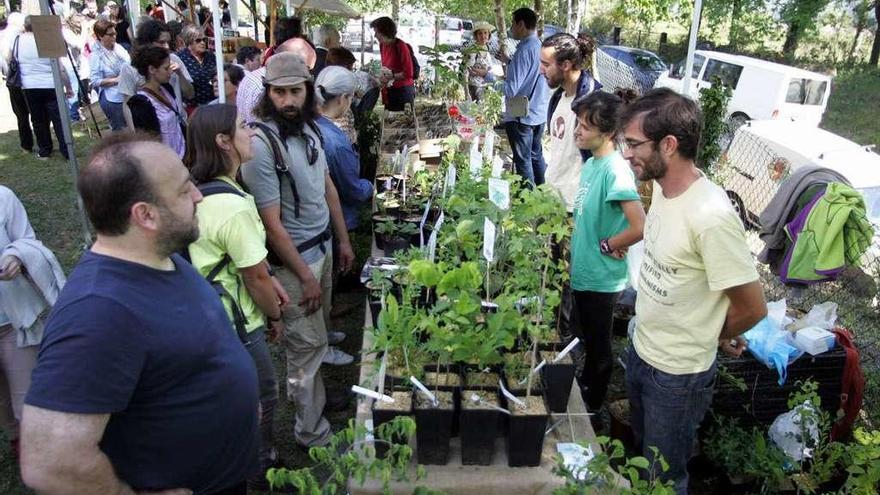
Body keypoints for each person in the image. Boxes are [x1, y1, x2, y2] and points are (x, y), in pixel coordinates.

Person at [19, 132, 259, 495]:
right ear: (145, 215)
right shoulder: (97, 313)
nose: (197, 196)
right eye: (183, 190)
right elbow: (50, 462)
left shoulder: (163, 257)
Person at [620, 88, 767, 493]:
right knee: (642, 461)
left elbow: (753, 307)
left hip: (677, 377)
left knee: (664, 477)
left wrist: (712, 332)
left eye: (633, 144)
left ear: (668, 145)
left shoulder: (711, 216)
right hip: (642, 351)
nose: (626, 153)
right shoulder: (665, 191)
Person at [241, 52, 355, 449]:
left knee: (316, 337)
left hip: (322, 249)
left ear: (308, 91)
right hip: (295, 264)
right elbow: (272, 226)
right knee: (305, 348)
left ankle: (318, 403)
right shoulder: (260, 145)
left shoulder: (309, 130)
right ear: (267, 94)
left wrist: (342, 239)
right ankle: (311, 432)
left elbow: (327, 188)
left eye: (295, 91)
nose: (288, 100)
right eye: (279, 92)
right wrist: (305, 276)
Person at [184, 104, 288, 490]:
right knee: (262, 395)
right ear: (223, 141)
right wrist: (273, 315)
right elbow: (254, 276)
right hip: (237, 323)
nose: (252, 131)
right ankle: (259, 469)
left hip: (209, 317)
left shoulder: (204, 191)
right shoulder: (232, 206)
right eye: (243, 126)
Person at [569, 91, 645, 427]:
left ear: (608, 132)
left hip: (601, 276)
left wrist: (608, 244)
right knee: (585, 334)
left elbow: (640, 224)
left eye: (586, 126)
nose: (578, 131)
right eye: (578, 123)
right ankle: (583, 386)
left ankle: (593, 405)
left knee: (600, 346)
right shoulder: (593, 164)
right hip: (584, 270)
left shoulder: (616, 170)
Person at [0, 186, 65, 459]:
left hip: (14, 320)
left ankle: (39, 450)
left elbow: (29, 241)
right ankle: (16, 438)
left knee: (27, 395)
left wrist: (16, 257)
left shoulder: (3, 197)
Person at [540, 32, 602, 210]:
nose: (540, 70)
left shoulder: (594, 103)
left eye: (546, 64)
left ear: (566, 65)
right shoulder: (558, 96)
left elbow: (602, 162)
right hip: (551, 199)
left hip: (575, 208)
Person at [314, 66, 373, 232]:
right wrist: (370, 186)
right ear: (341, 98)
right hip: (337, 222)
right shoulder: (337, 143)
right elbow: (352, 190)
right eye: (351, 97)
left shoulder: (311, 124)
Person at [499, 8, 549, 186]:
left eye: (513, 23)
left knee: (523, 160)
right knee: (536, 156)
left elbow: (510, 89)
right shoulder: (540, 46)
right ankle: (542, 195)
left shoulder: (524, 50)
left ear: (521, 24)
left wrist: (488, 78)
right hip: (539, 111)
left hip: (523, 116)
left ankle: (527, 200)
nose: (511, 28)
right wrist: (509, 62)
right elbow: (531, 73)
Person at [118, 19, 194, 130]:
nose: (167, 46)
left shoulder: (174, 59)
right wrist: (137, 135)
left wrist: (180, 74)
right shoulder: (130, 68)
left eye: (168, 42)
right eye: (161, 42)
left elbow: (190, 94)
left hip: (178, 125)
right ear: (147, 42)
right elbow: (128, 104)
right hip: (153, 131)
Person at [17, 16, 74, 160]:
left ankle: (45, 150)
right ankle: (66, 150)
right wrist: (68, 86)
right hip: (51, 84)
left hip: (30, 86)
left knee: (38, 120)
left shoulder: (18, 41)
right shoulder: (46, 40)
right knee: (58, 118)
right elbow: (60, 68)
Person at [236, 36, 316, 124]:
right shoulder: (264, 87)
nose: (288, 101)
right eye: (306, 67)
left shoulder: (252, 77)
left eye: (295, 91)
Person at [132, 45, 186, 157]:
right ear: (152, 69)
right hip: (165, 161)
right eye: (166, 68)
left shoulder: (167, 88)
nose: (170, 72)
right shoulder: (141, 103)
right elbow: (148, 141)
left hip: (183, 153)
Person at [0, 13, 33, 154]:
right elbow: (8, 58)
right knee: (35, 113)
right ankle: (40, 142)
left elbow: (5, 60)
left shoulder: (3, 36)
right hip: (24, 79)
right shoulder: (17, 37)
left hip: (13, 81)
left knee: (21, 115)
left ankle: (26, 145)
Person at [90, 19, 130, 131]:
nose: (114, 37)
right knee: (121, 132)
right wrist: (117, 80)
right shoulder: (96, 56)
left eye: (115, 33)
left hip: (128, 93)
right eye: (110, 34)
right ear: (100, 36)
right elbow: (94, 81)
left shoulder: (119, 48)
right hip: (113, 98)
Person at [370, 16, 415, 112]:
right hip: (389, 91)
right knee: (389, 123)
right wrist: (381, 78)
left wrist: (392, 76)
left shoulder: (401, 46)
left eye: (376, 32)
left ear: (385, 32)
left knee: (403, 123)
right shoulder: (382, 45)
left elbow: (409, 73)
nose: (375, 36)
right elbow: (386, 68)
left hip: (403, 92)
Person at [177, 24, 216, 110]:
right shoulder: (181, 58)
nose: (202, 43)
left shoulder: (210, 56)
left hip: (213, 103)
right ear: (189, 41)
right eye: (198, 40)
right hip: (193, 106)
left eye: (204, 39)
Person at [463, 21, 495, 102]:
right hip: (474, 87)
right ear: (476, 36)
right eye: (480, 33)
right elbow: (465, 72)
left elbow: (489, 68)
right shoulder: (473, 50)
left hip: (485, 86)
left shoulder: (486, 47)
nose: (483, 36)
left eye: (485, 33)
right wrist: (467, 93)